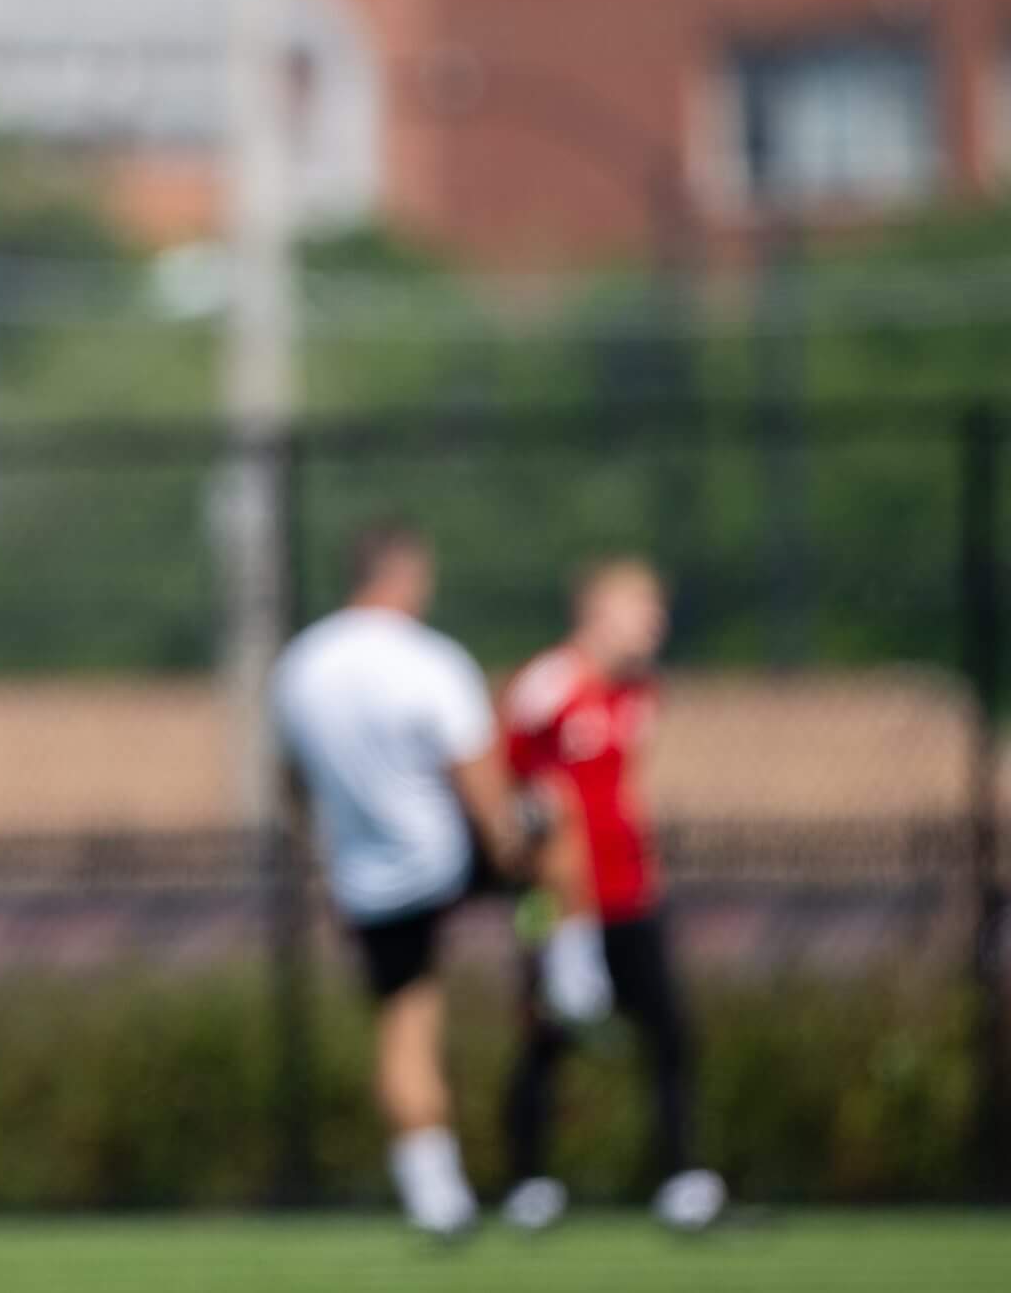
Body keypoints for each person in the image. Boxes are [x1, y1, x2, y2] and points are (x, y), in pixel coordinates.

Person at [273, 522, 532, 1237]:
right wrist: (514, 852)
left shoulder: (301, 664)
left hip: (364, 879)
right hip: (444, 861)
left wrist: (323, 853)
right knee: (557, 820)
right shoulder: (429, 660)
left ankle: (434, 1191)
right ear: (406, 576)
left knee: (404, 1024)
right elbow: (478, 777)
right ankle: (573, 960)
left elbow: (292, 780)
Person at [499, 558, 725, 1233]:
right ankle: (528, 1182)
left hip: (630, 896)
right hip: (564, 903)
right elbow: (517, 788)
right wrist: (552, 903)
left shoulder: (637, 694)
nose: (655, 623)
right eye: (641, 608)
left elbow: (623, 790)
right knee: (547, 1037)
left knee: (670, 1032)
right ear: (596, 611)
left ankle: (682, 1177)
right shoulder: (547, 687)